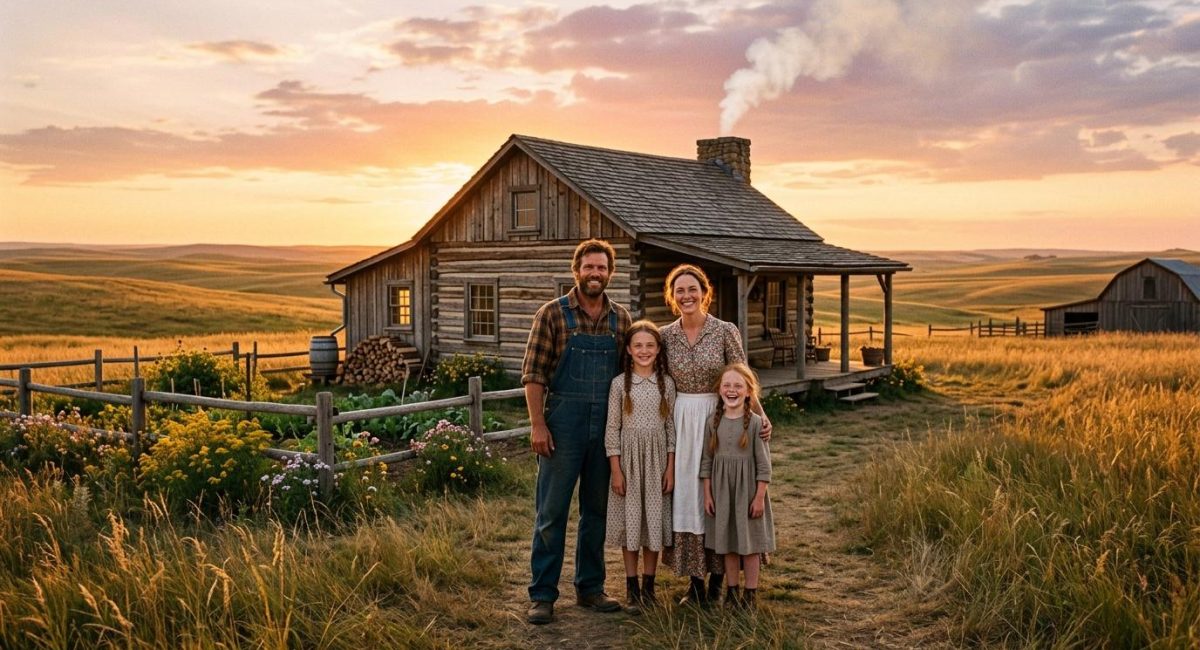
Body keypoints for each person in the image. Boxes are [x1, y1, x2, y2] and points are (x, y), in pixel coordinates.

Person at [523, 238, 633, 625]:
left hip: (606, 426)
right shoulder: (552, 314)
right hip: (562, 426)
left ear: (610, 273)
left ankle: (590, 588)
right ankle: (542, 594)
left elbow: (628, 376)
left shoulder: (621, 318)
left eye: (602, 268)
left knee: (596, 513)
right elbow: (534, 375)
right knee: (551, 513)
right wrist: (538, 424)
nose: (595, 274)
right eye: (589, 267)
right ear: (577, 270)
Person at [659, 263, 772, 605]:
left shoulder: (725, 330)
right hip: (682, 420)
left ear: (705, 293)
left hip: (721, 417)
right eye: (680, 290)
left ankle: (722, 580)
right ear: (672, 296)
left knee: (723, 494)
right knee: (690, 499)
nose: (686, 295)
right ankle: (695, 582)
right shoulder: (665, 335)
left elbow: (741, 375)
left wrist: (760, 416)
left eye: (693, 289)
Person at [604, 320, 676, 613]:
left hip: (657, 462)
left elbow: (671, 429)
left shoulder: (667, 384)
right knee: (631, 525)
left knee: (653, 526)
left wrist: (670, 468)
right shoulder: (620, 384)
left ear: (658, 350)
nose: (644, 351)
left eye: (650, 345)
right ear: (630, 351)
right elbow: (612, 429)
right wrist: (616, 470)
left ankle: (649, 586)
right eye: (638, 346)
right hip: (629, 465)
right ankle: (631, 587)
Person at [702, 363, 775, 610]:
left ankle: (750, 595)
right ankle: (732, 592)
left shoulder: (755, 424)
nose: (732, 390)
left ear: (748, 392)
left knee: (750, 546)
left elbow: (764, 467)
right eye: (727, 385)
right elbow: (706, 462)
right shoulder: (713, 422)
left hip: (748, 495)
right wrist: (708, 494)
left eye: (738, 386)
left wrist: (758, 497)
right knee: (728, 544)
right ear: (719, 390)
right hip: (722, 494)